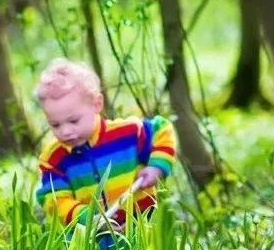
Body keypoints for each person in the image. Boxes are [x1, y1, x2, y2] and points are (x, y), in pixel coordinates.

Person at [34, 58, 177, 237]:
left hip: (142, 227)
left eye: (73, 121)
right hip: (93, 237)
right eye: (55, 125)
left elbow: (161, 129)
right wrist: (86, 217)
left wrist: (156, 167)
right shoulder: (54, 158)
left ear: (97, 104)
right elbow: (54, 200)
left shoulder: (127, 133)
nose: (65, 131)